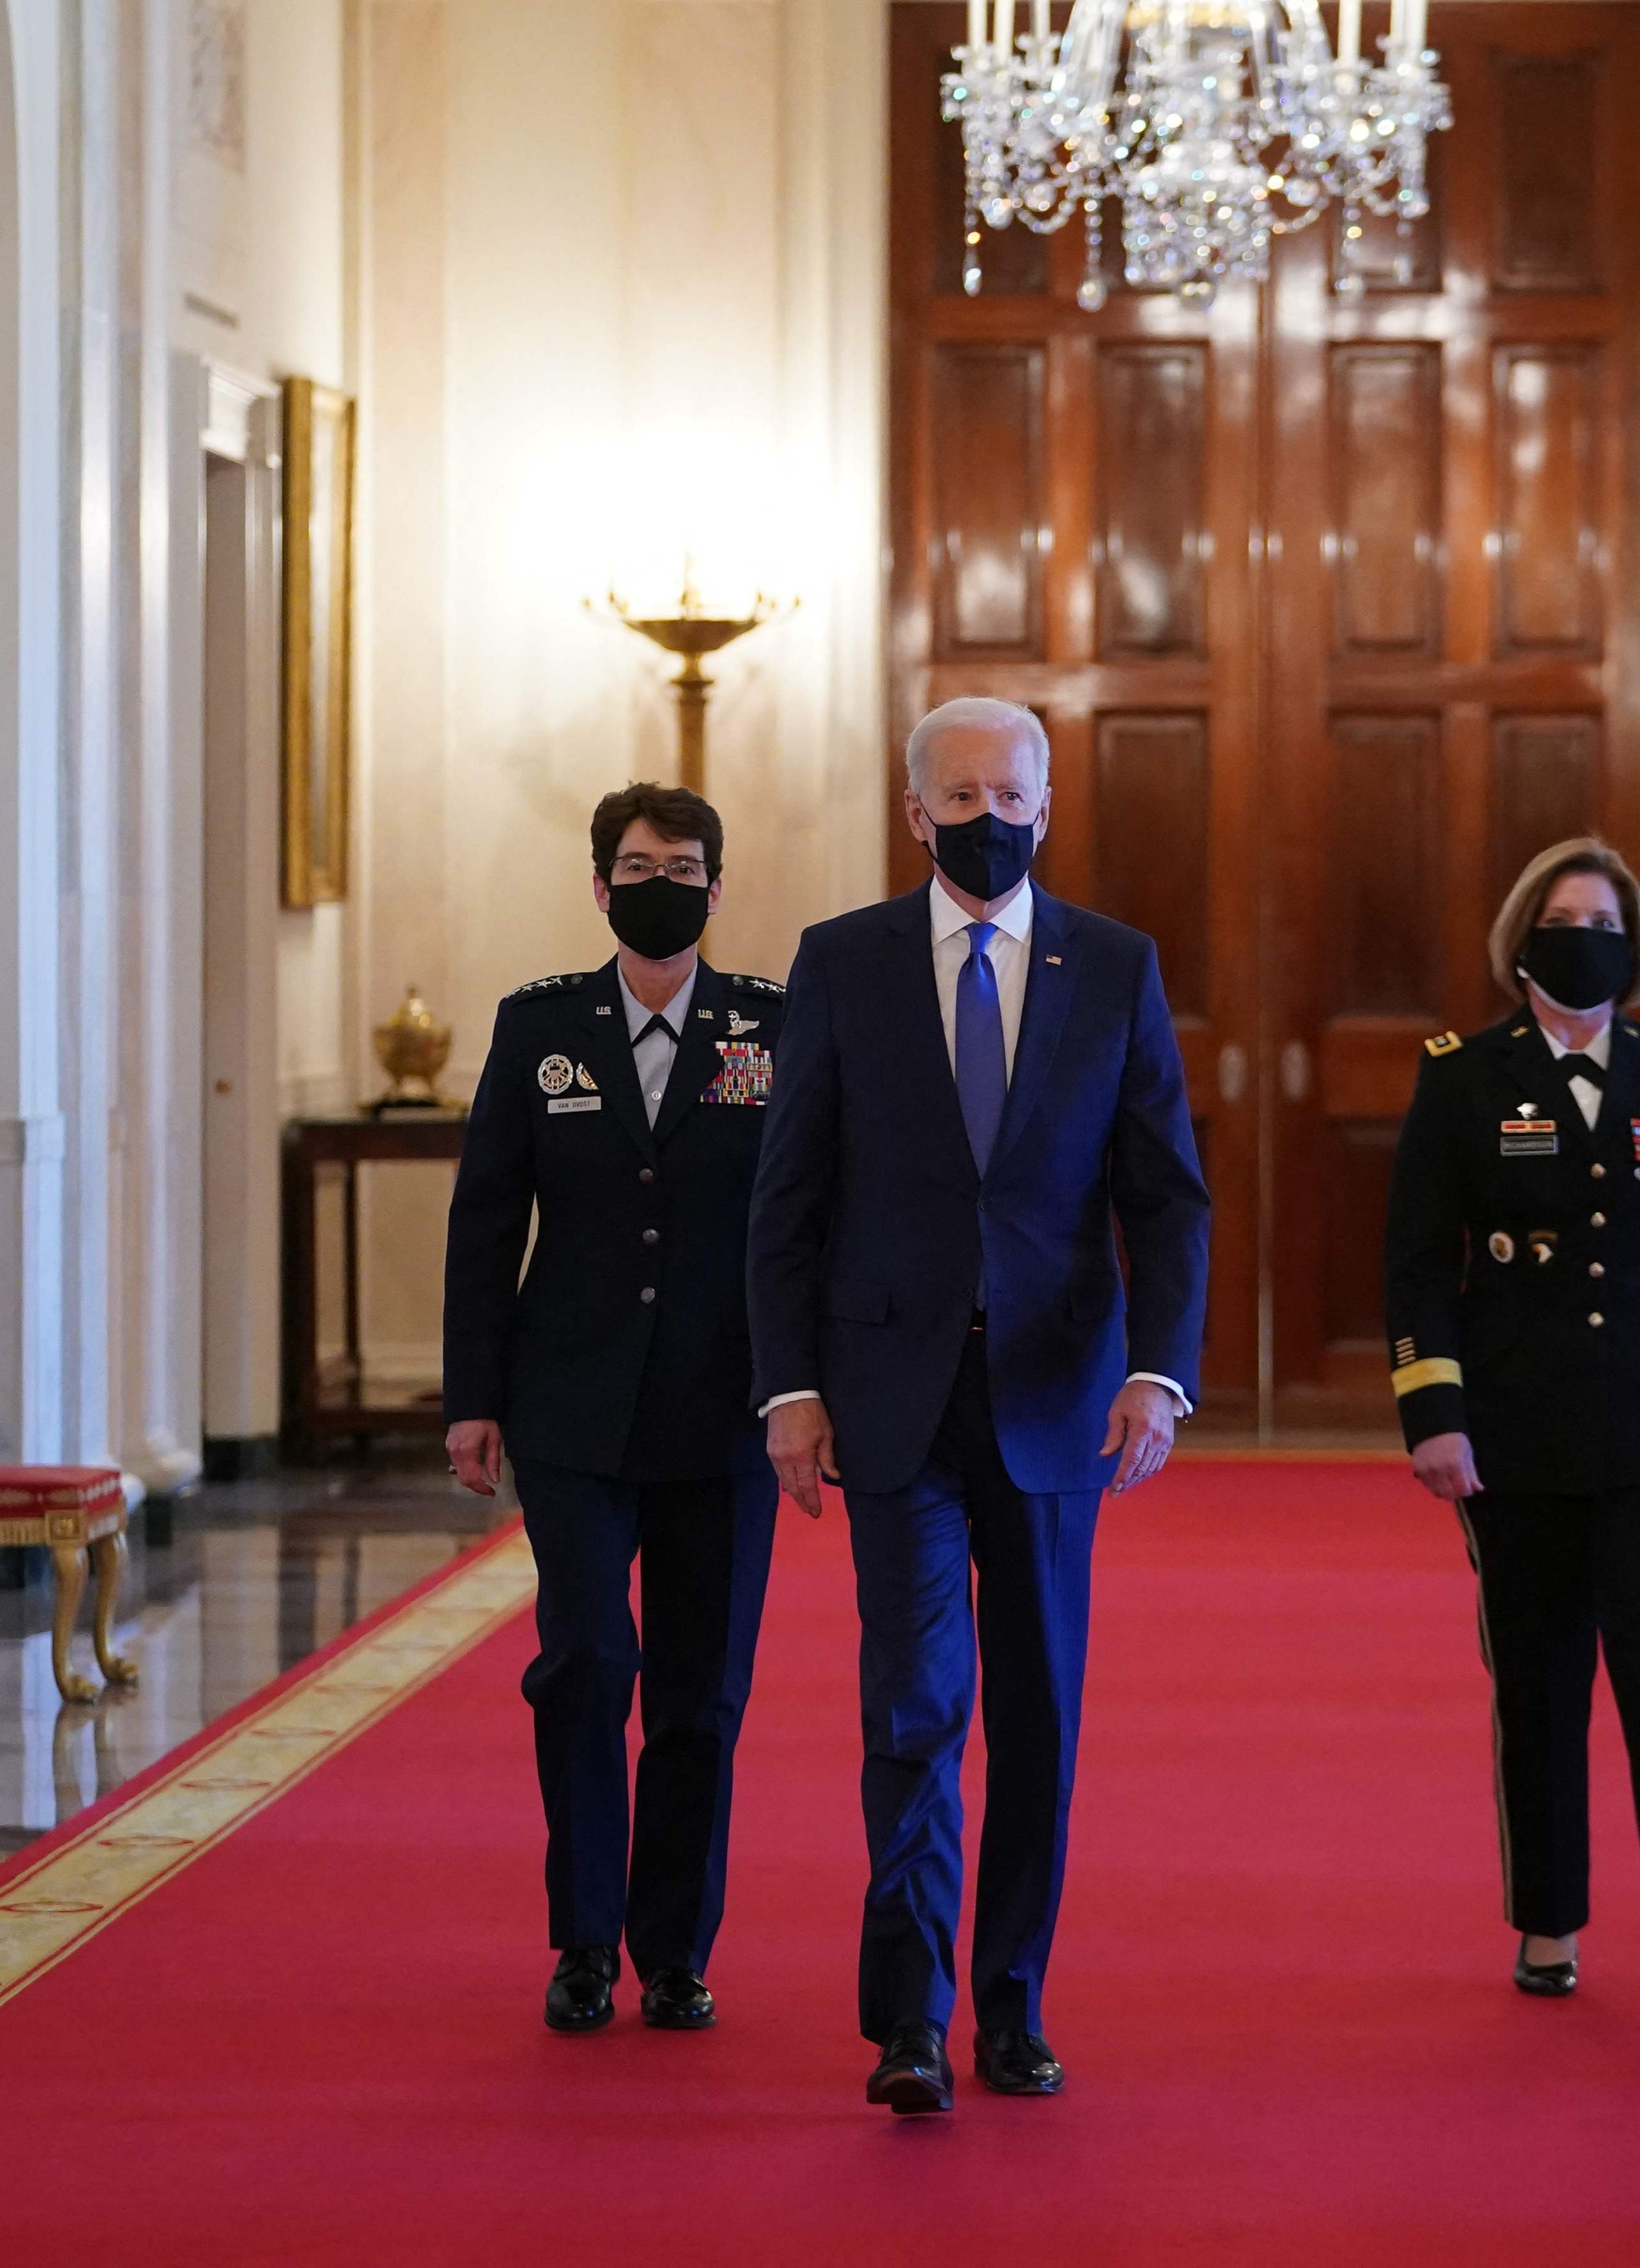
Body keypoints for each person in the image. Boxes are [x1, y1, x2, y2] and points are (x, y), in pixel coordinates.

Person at [746, 696, 1212, 2115]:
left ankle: (1011, 2004)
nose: (989, 822)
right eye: (961, 799)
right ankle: (908, 2016)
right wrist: (790, 1387)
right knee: (916, 1708)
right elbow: (790, 1197)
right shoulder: (841, 963)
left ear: (1048, 806)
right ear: (915, 812)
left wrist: (1158, 1366)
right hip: (890, 1399)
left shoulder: (1114, 965)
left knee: (1041, 1716)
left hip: (1056, 1400)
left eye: (1012, 798)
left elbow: (1164, 1192)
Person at [1379, 836, 1640, 2018]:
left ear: (1635, 944)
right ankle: (1550, 1922)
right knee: (1540, 1678)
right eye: (1565, 918)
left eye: (1607, 921)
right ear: (1523, 940)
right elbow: (1417, 1264)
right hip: (1515, 1423)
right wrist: (1433, 1413)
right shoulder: (1461, 1076)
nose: (1586, 937)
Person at [440, 782, 786, 2038]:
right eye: (638, 863)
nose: (662, 881)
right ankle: (585, 1937)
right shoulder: (541, 1027)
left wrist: (809, 1389)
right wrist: (472, 1397)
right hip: (571, 1410)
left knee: (701, 1691)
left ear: (714, 885)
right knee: (585, 1667)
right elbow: (487, 1220)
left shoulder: (770, 1027)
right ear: (600, 885)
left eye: (685, 864)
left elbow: (800, 1222)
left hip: (725, 1415)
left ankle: (676, 1948)